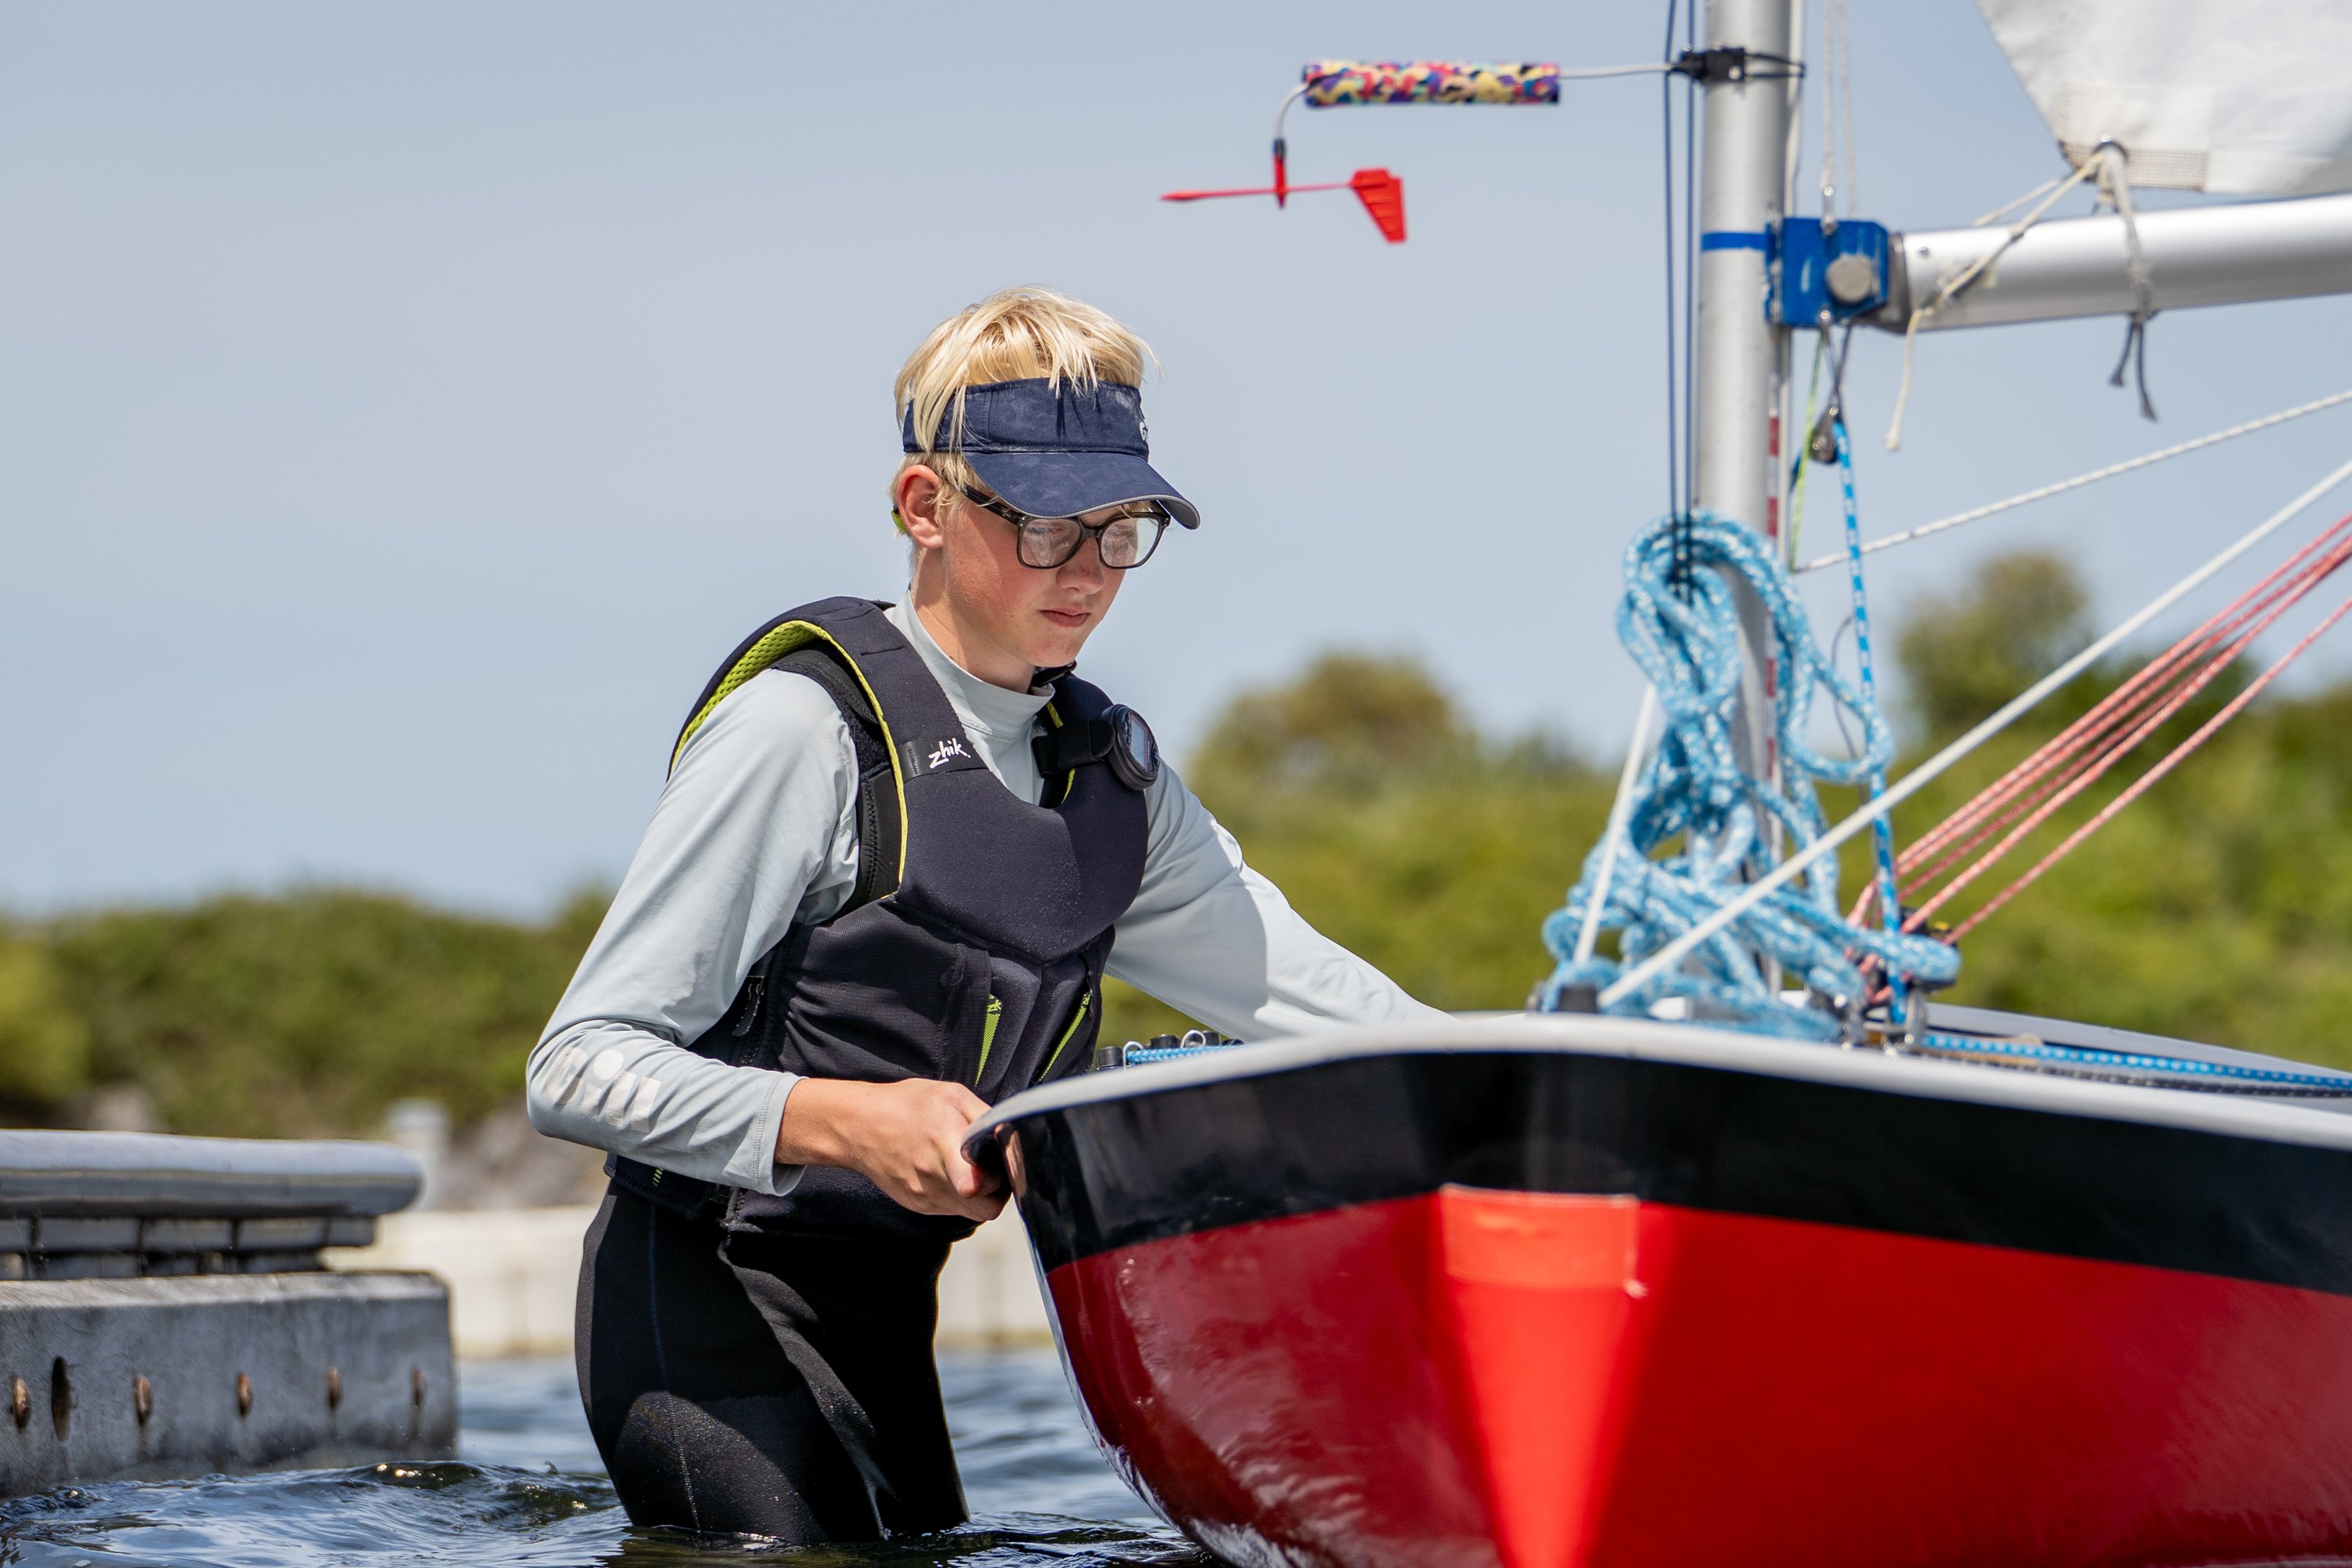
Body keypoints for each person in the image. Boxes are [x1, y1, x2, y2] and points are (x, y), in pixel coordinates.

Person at [527, 285, 1446, 1544]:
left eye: (1122, 530)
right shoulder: (800, 732)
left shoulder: (1114, 785)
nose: (1093, 574)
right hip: (704, 1307)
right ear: (925, 505)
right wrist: (843, 1122)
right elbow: (577, 1067)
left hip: (888, 1318)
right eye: (1051, 528)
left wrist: (1531, 1097)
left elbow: (1334, 1010)